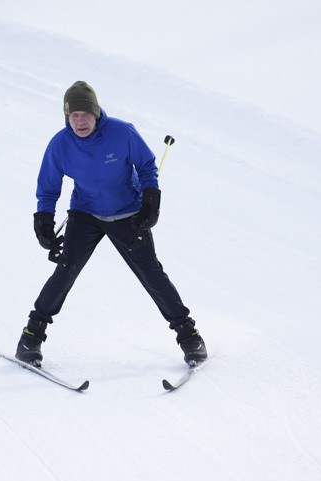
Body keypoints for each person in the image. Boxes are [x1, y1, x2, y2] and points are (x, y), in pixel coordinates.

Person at [15, 81, 208, 368]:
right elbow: (48, 188)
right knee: (65, 271)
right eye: (74, 115)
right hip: (85, 213)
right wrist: (43, 219)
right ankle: (31, 337)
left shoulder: (122, 132)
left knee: (151, 274)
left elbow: (147, 166)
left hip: (128, 213)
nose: (80, 121)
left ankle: (189, 336)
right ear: (67, 116)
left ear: (96, 113)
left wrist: (151, 198)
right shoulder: (60, 145)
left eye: (85, 114)